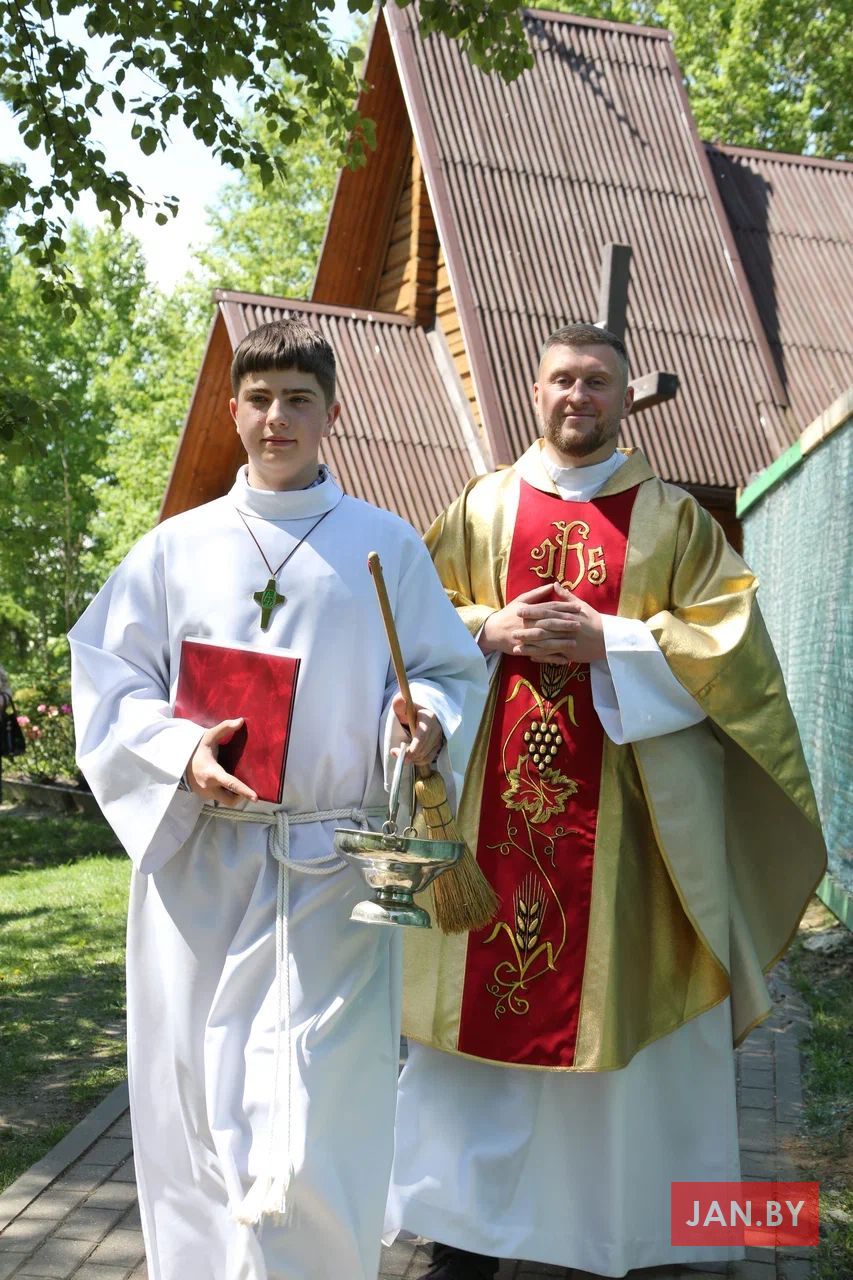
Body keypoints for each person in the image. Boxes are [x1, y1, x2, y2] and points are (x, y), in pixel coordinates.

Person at [385, 323, 826, 1278]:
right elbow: (413, 629)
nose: (576, 396)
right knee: (475, 1031)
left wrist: (616, 644)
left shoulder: (673, 521)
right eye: (561, 379)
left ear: (626, 398)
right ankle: (462, 1237)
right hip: (484, 824)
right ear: (534, 391)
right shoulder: (480, 508)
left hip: (629, 828)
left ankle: (627, 1234)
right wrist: (488, 627)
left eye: (596, 381)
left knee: (623, 1023)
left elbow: (733, 650)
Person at [68, 318, 488, 1280]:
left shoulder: (384, 546)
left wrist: (424, 724)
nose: (277, 418)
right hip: (203, 864)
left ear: (330, 413)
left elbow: (446, 673)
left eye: (299, 399)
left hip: (333, 871)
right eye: (259, 399)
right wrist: (180, 750)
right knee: (196, 1102)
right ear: (233, 411)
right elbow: (110, 680)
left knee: (314, 1112)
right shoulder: (174, 550)